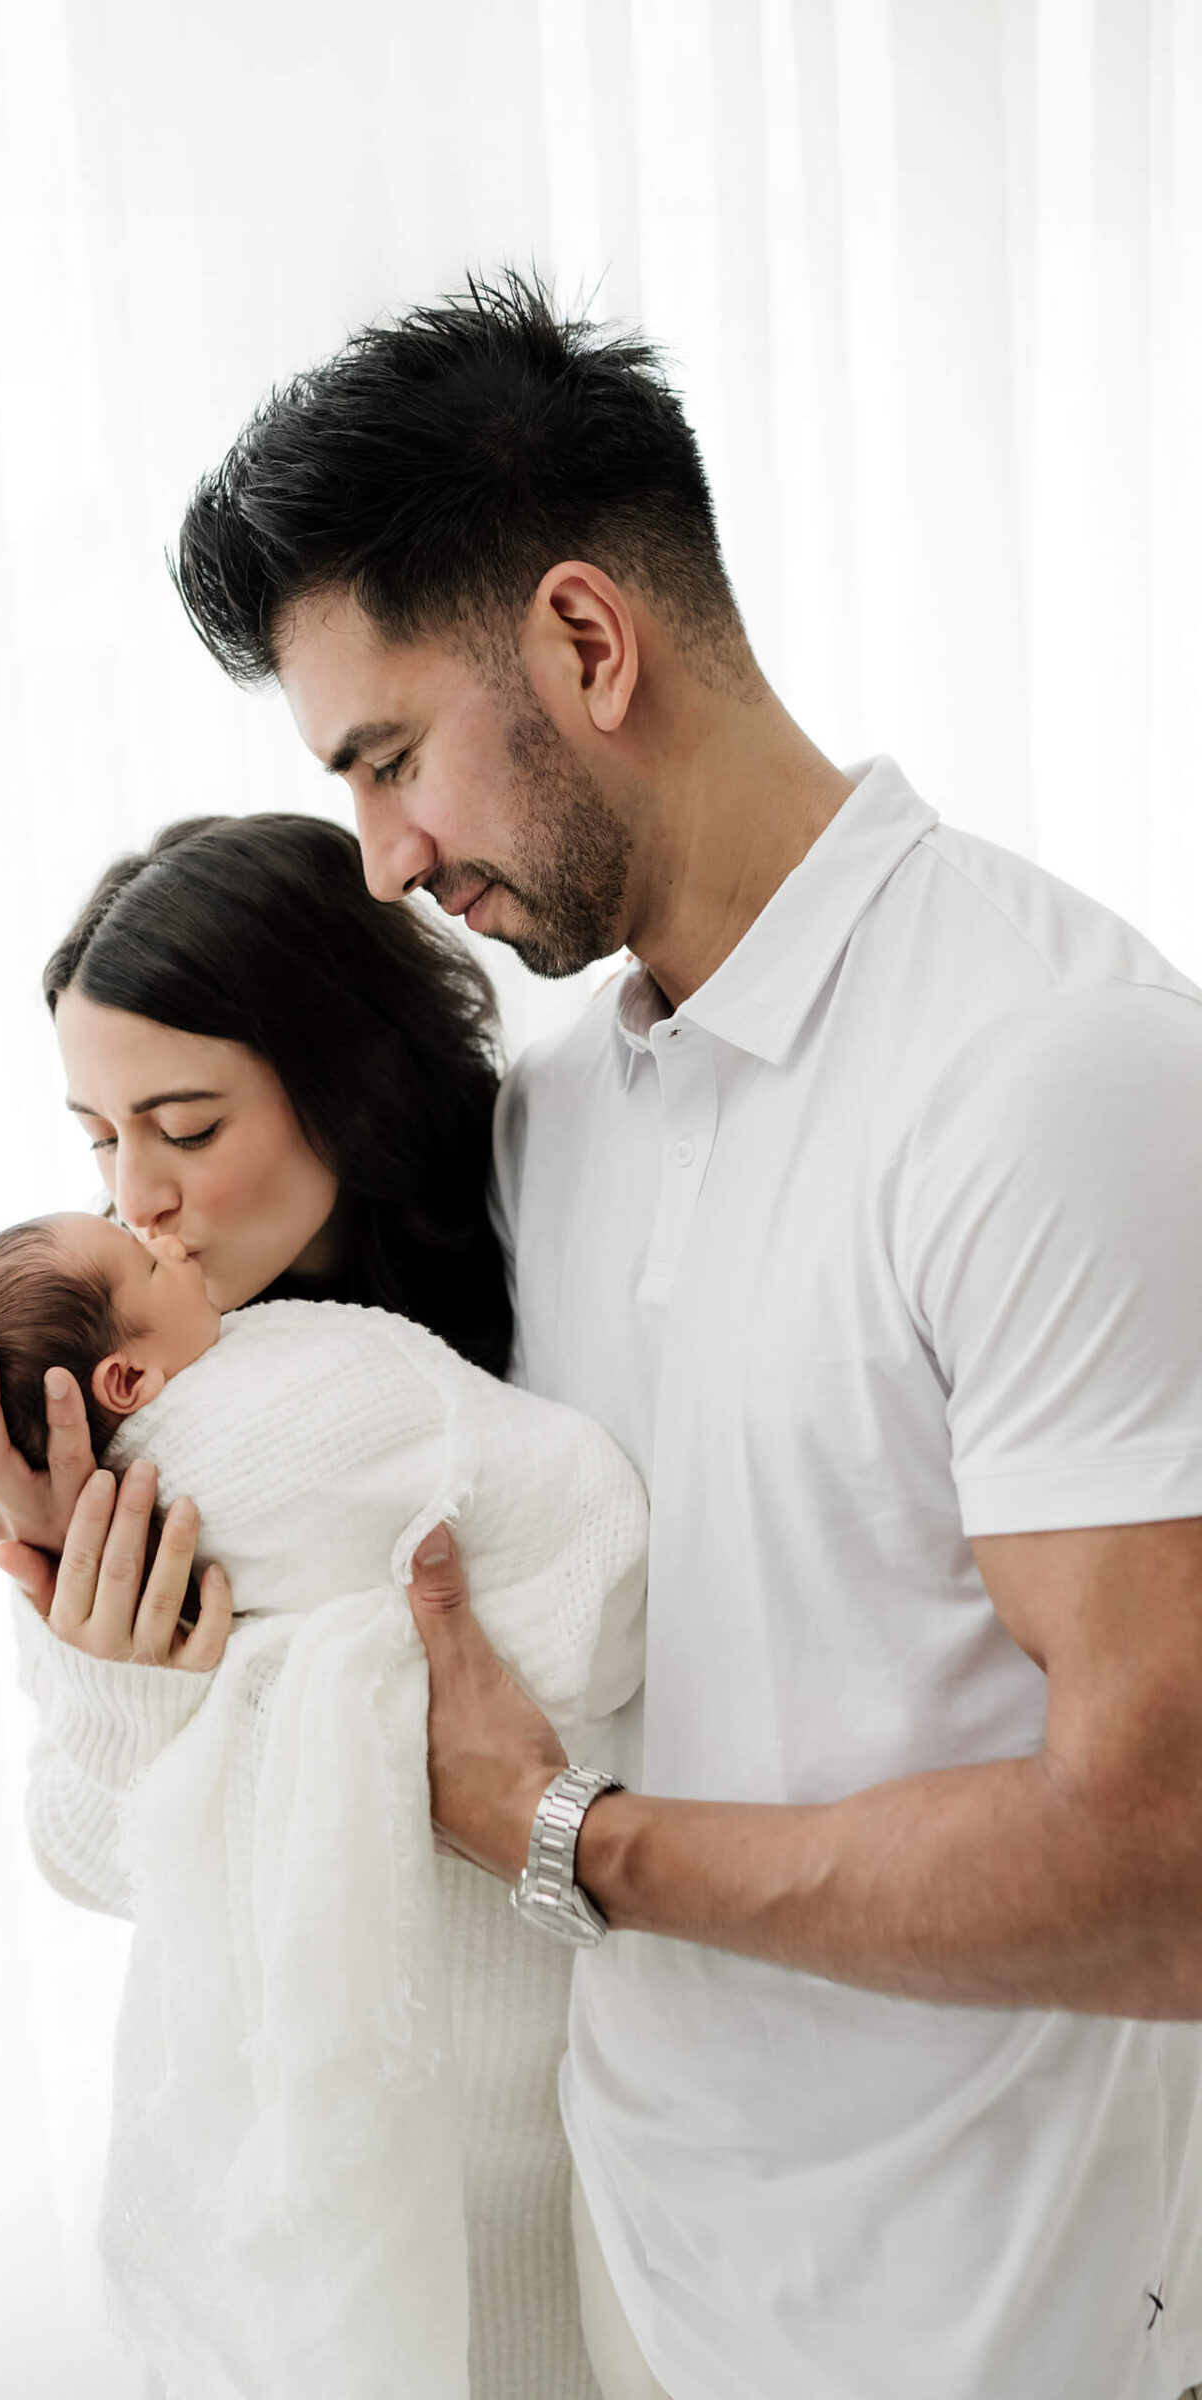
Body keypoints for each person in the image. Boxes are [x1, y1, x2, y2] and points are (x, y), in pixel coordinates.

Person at [167, 271, 1202, 2400]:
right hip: (652, 2287)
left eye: (386, 759)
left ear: (580, 639)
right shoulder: (562, 1106)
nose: (377, 858)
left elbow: (1162, 1870)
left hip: (1003, 2329)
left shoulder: (1050, 1069)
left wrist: (564, 1842)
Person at [0, 811, 619, 2398]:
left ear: (343, 1077)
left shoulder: (535, 1298)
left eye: (184, 1124)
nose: (136, 1199)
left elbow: (614, 1639)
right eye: (98, 1139)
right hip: (341, 2180)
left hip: (604, 2135)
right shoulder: (152, 1415)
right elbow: (97, 1858)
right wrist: (86, 1640)